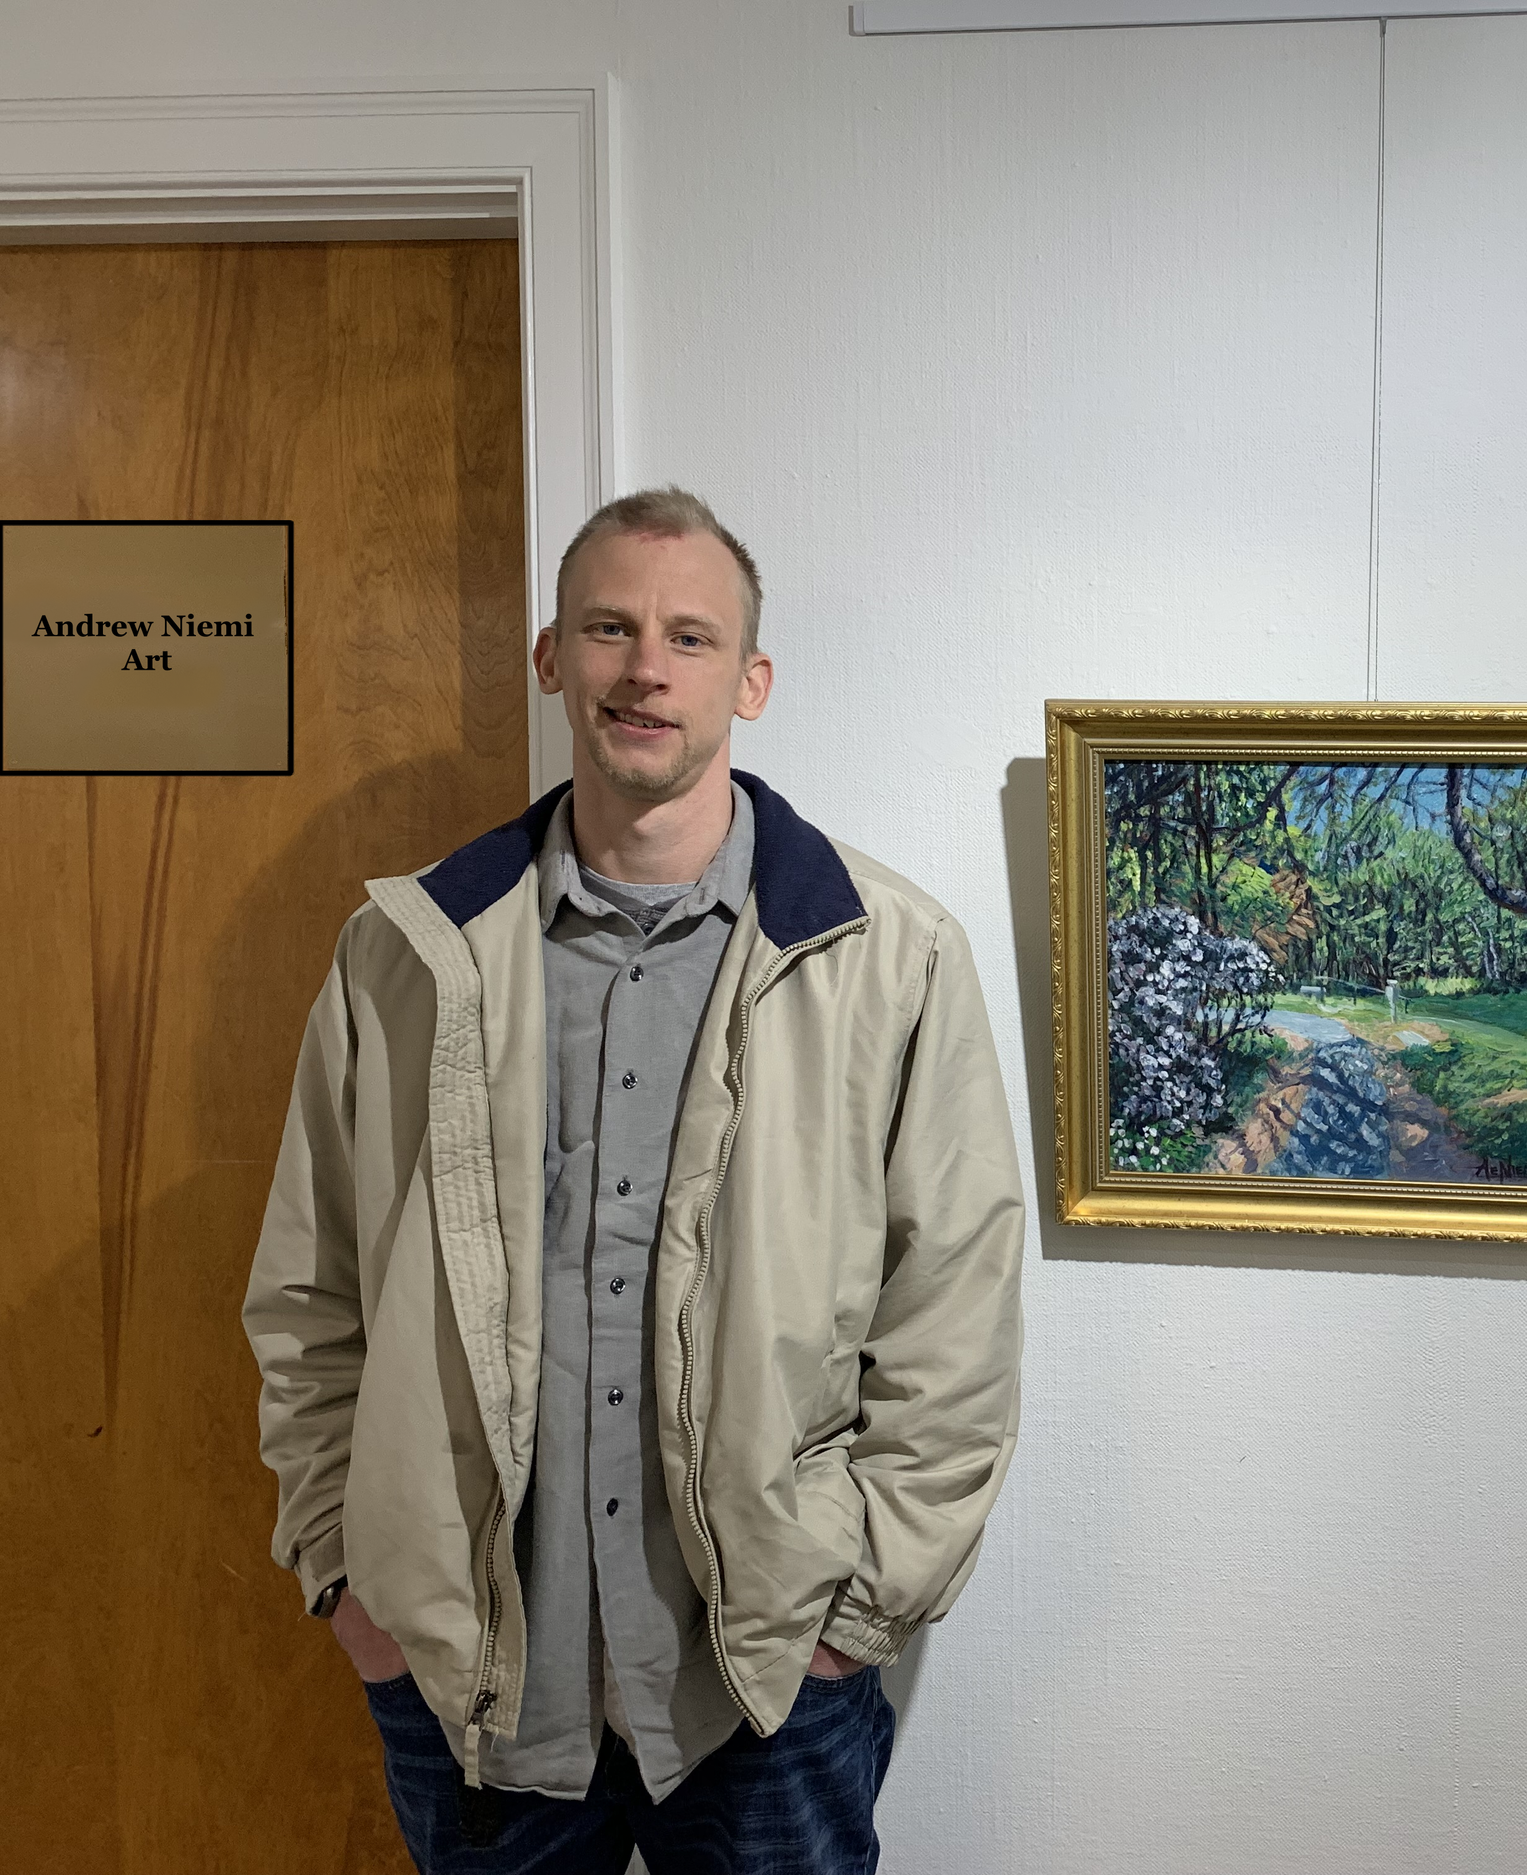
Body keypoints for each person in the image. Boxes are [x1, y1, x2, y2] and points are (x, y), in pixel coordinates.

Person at [242, 487, 1025, 1873]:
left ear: (751, 679)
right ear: (553, 655)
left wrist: (856, 1611)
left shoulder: (887, 960)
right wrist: (351, 1579)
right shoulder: (404, 956)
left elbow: (952, 1318)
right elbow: (310, 1296)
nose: (645, 667)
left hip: (768, 1687)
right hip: (474, 1682)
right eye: (608, 626)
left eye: (689, 635)